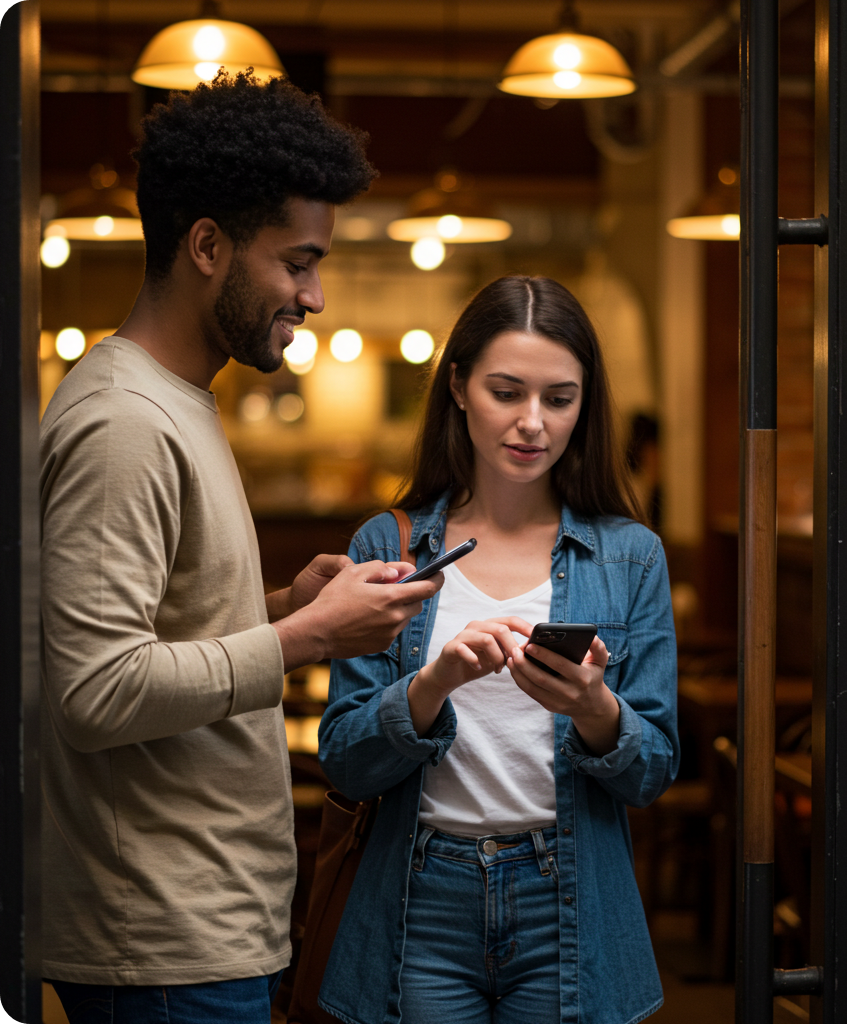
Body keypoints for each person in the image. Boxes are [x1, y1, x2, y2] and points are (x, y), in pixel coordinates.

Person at [39, 71, 441, 1023]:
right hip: (162, 946)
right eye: (297, 262)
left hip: (201, 931)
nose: (316, 295)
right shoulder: (123, 423)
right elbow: (92, 691)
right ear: (208, 246)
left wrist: (282, 610)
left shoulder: (174, 400)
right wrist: (307, 643)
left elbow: (154, 637)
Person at [317, 275, 680, 1024]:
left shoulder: (631, 557)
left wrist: (597, 710)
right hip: (421, 897)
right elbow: (345, 760)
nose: (532, 423)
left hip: (568, 895)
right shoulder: (387, 546)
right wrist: (431, 686)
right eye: (506, 392)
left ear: (586, 403)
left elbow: (653, 772)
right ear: (457, 386)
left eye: (558, 398)